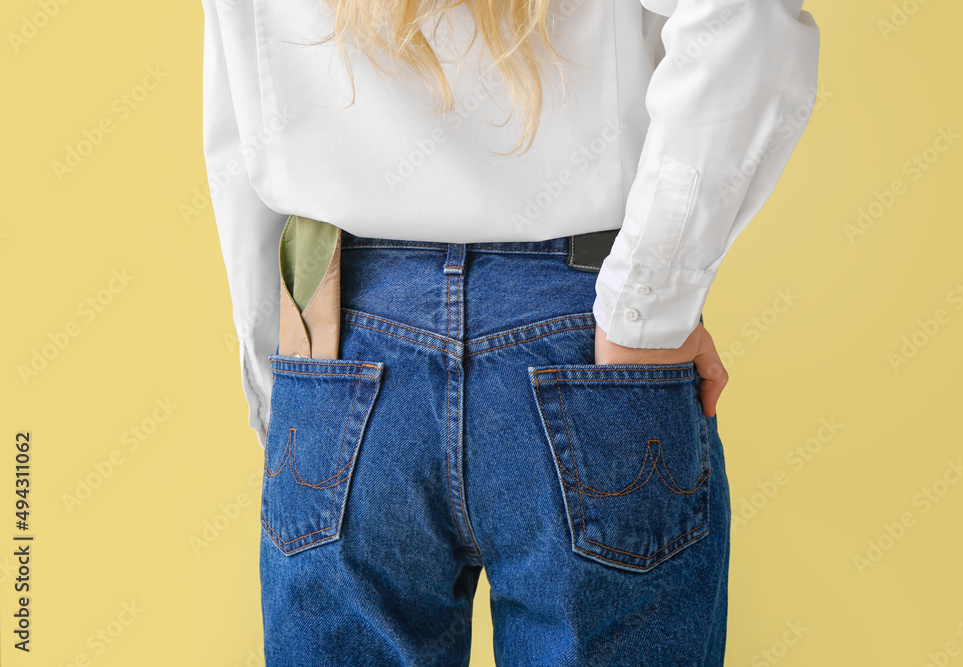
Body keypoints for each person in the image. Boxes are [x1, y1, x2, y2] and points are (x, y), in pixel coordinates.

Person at [200, 0, 820, 664]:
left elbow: (240, 118)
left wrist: (285, 378)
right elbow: (743, 17)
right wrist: (646, 308)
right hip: (585, 333)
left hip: (343, 340)